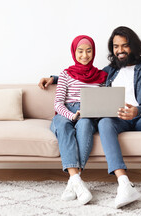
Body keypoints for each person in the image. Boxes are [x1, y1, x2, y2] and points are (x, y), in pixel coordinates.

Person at [39, 26, 141, 208]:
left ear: (134, 47)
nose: (120, 50)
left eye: (124, 46)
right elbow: (85, 75)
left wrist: (138, 110)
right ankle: (124, 183)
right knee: (105, 122)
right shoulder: (109, 71)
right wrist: (55, 78)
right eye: (116, 46)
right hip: (117, 119)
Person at [50, 35, 107, 205]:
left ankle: (73, 182)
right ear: (74, 53)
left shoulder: (101, 76)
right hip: (65, 112)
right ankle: (76, 179)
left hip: (88, 114)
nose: (84, 55)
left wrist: (89, 112)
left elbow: (104, 103)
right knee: (63, 126)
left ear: (94, 52)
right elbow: (58, 103)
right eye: (80, 51)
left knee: (85, 124)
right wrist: (71, 115)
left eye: (89, 51)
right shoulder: (65, 74)